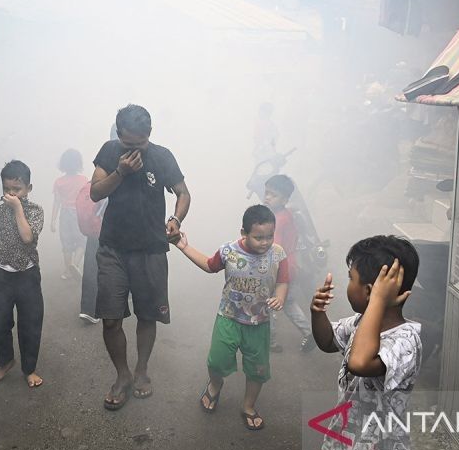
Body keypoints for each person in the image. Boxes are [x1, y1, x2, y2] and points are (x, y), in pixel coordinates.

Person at [90, 104, 191, 410]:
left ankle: (142, 370)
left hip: (150, 249)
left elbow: (183, 193)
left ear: (150, 134)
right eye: (129, 144)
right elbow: (95, 193)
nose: (135, 150)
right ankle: (122, 376)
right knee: (110, 319)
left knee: (148, 315)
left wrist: (176, 220)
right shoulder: (109, 152)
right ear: (119, 134)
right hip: (113, 248)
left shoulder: (162, 156)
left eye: (141, 143)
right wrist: (121, 171)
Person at [174, 204, 289, 430]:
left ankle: (248, 406)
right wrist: (184, 247)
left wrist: (280, 297)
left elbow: (283, 281)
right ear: (243, 233)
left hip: (259, 323)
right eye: (258, 237)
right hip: (228, 317)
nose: (265, 242)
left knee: (258, 369)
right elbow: (209, 265)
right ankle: (215, 385)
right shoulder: (229, 251)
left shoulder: (277, 254)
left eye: (269, 236)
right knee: (217, 361)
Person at [310, 235, 421, 450]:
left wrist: (378, 300)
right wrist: (317, 313)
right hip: (339, 445)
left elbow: (359, 363)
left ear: (370, 291)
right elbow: (328, 341)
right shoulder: (361, 322)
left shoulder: (406, 341)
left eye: (352, 278)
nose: (348, 285)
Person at [0, 160, 45, 388]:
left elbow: (27, 237)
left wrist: (18, 208)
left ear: (28, 188)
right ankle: (5, 360)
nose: (11, 194)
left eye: (17, 190)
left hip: (27, 275)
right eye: (7, 189)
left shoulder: (34, 211)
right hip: (2, 274)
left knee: (30, 323)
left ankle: (29, 369)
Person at [263, 175, 315, 353]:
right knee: (289, 302)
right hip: (291, 265)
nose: (268, 197)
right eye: (267, 193)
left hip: (278, 268)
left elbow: (274, 247)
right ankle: (309, 332)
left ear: (285, 199)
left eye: (273, 195)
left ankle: (269, 342)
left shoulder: (277, 220)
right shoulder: (287, 214)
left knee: (270, 303)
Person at [51, 149, 88, 280]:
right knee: (81, 242)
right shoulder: (84, 180)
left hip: (65, 214)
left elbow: (57, 202)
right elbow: (87, 200)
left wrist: (53, 221)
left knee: (67, 244)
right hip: (79, 214)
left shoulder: (59, 182)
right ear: (79, 163)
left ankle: (68, 271)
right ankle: (75, 265)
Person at [75, 180, 105, 324]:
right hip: (111, 233)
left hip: (94, 232)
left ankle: (88, 310)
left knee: (91, 268)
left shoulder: (94, 182)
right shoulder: (117, 180)